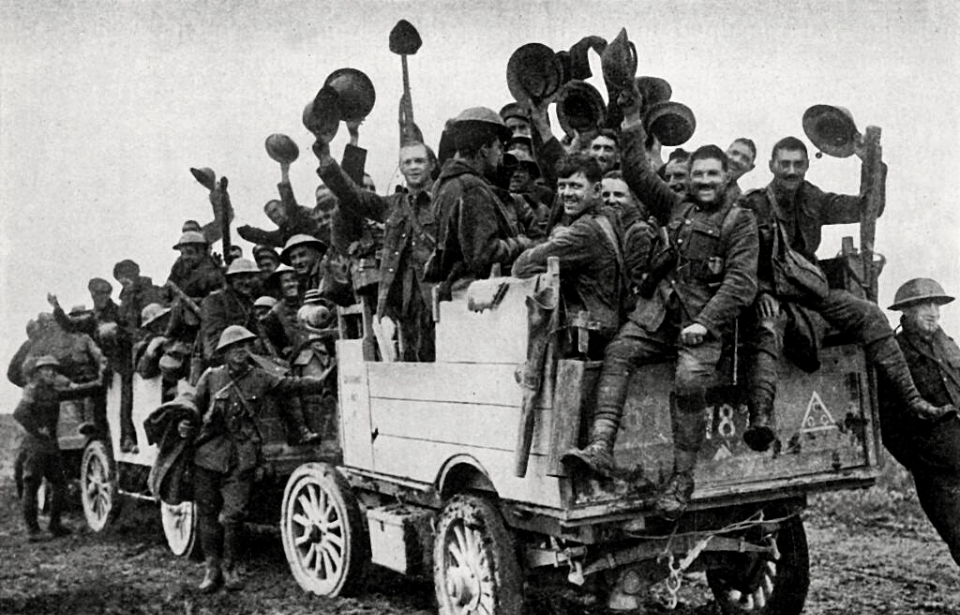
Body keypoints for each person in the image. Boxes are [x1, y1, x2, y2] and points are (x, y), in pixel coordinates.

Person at [564, 83, 759, 521]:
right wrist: (631, 119)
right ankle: (600, 446)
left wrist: (705, 324)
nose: (705, 182)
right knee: (619, 352)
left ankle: (682, 479)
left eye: (713, 175)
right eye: (699, 175)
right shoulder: (676, 207)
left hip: (700, 325)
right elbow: (634, 170)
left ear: (727, 177)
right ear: (688, 177)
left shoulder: (739, 221)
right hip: (658, 315)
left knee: (690, 383)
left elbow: (740, 284)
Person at [738, 137, 953, 452]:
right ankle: (760, 418)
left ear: (808, 166)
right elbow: (738, 259)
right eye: (784, 164)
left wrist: (872, 165)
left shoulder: (814, 199)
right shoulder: (752, 204)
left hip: (808, 290)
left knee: (871, 315)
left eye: (798, 164)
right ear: (772, 166)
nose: (791, 171)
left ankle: (914, 399)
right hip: (767, 290)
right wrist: (761, 292)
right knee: (768, 327)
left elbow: (869, 209)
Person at [178, 326, 329, 592]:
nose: (240, 351)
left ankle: (230, 568)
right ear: (224, 352)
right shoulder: (211, 377)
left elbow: (290, 385)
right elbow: (192, 405)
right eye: (235, 347)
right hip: (208, 454)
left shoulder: (259, 377)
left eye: (245, 346)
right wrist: (185, 425)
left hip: (242, 455)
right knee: (208, 514)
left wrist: (322, 381)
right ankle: (212, 569)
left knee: (234, 515)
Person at [315, 134, 438, 362]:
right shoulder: (391, 205)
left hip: (438, 296)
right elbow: (353, 195)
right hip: (404, 303)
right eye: (407, 162)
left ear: (431, 164)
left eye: (419, 161)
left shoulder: (443, 198)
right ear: (400, 168)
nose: (413, 167)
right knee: (411, 363)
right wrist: (327, 161)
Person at [880, 278, 960, 566]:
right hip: (936, 471)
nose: (933, 311)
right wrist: (919, 460)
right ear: (907, 312)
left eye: (935, 304)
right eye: (923, 305)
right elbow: (887, 423)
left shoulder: (947, 344)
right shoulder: (895, 353)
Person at [513, 154, 624, 358]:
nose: (566, 193)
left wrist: (549, 241)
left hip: (591, 330)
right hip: (606, 320)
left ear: (597, 190)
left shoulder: (584, 231)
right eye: (562, 186)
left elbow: (521, 266)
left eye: (575, 186)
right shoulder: (607, 216)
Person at [429, 107, 535, 294]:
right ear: (485, 149)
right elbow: (485, 253)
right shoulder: (471, 187)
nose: (500, 154)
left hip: (456, 292)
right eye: (499, 147)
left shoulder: (443, 183)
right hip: (479, 297)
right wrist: (522, 243)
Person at [14, 356, 102, 541]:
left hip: (51, 445)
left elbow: (75, 393)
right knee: (32, 486)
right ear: (38, 372)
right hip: (35, 445)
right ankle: (33, 531)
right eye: (47, 370)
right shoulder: (32, 390)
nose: (51, 373)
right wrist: (37, 430)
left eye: (53, 370)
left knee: (60, 484)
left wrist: (99, 384)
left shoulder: (53, 391)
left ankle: (55, 525)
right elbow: (20, 413)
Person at [199, 258, 261, 364]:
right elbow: (213, 343)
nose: (246, 282)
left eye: (250, 277)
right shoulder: (214, 301)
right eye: (241, 277)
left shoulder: (249, 302)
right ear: (231, 280)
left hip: (247, 358)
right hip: (224, 360)